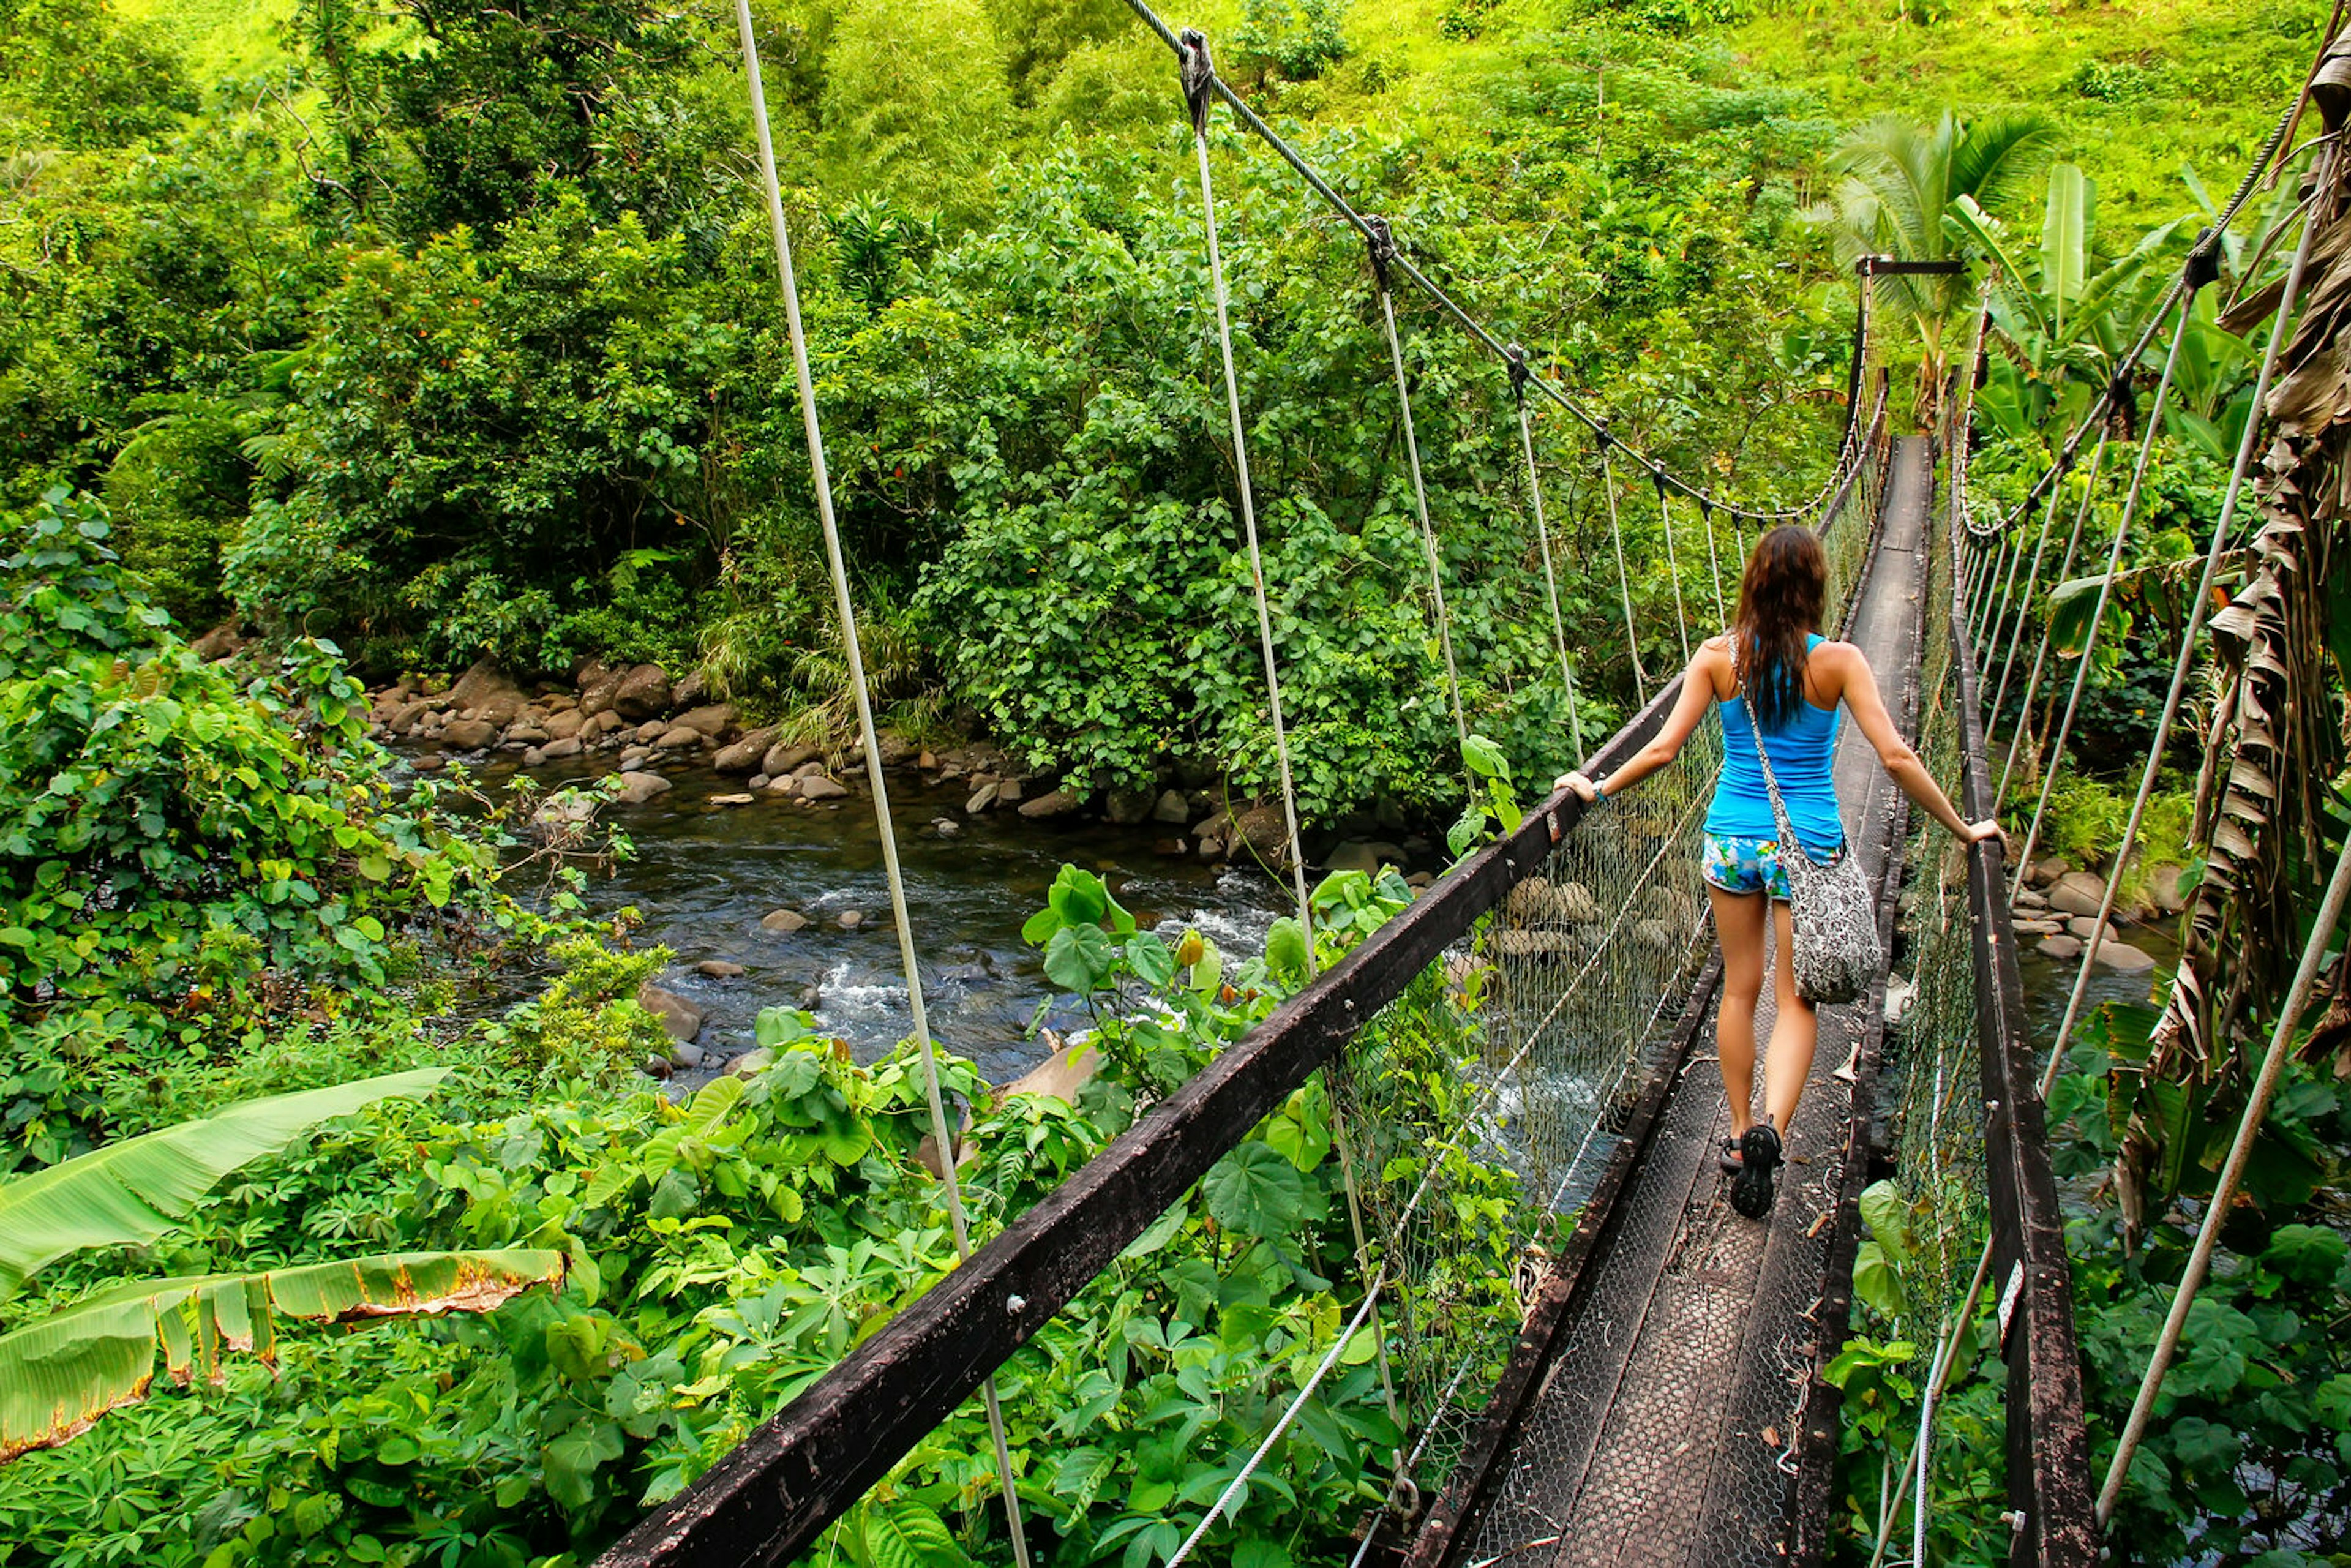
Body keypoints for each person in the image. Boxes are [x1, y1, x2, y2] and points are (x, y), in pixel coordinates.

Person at [1556, 524, 2004, 1219]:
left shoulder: (1716, 657)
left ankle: (1737, 1133)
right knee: (1797, 1000)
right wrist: (1963, 827)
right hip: (1812, 848)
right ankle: (1775, 1127)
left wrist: (1598, 785)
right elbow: (1895, 759)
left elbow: (1666, 749)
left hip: (1733, 841)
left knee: (1740, 990)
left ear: (1753, 583)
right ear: (1818, 586)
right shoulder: (1842, 662)